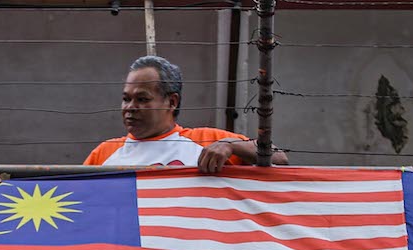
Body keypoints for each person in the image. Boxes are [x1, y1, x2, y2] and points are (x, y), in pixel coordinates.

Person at [85, 55, 288, 173]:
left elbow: (279, 158)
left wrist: (230, 146)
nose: (130, 107)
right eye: (126, 98)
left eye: (142, 99)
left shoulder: (207, 140)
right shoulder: (105, 152)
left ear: (171, 102)